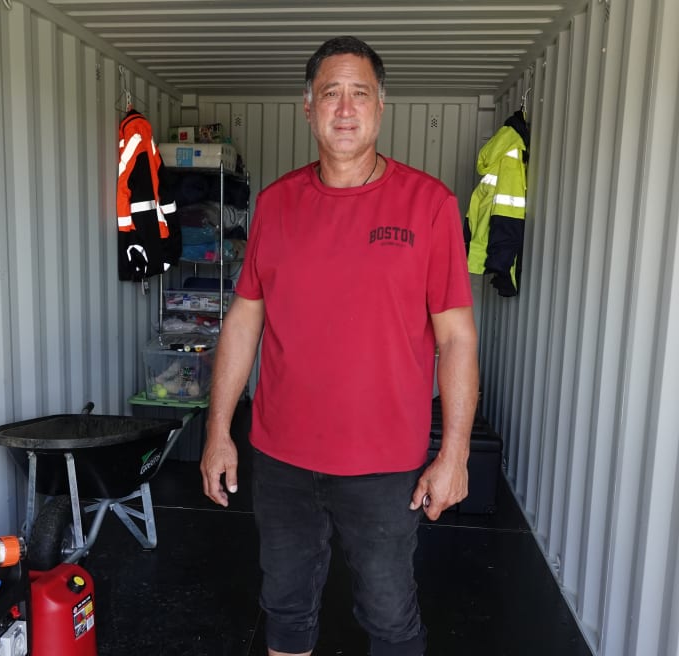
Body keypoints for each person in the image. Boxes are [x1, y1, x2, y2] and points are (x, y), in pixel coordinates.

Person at [200, 36, 479, 656]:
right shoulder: (274, 206)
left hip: (385, 467)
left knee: (389, 617)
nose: (345, 108)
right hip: (281, 459)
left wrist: (454, 452)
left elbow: (456, 337)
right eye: (331, 93)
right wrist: (218, 430)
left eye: (360, 94)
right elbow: (244, 323)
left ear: (381, 107)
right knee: (286, 610)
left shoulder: (429, 205)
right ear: (308, 108)